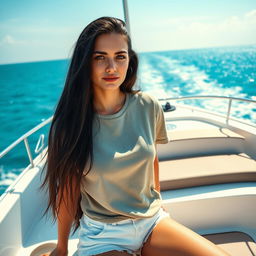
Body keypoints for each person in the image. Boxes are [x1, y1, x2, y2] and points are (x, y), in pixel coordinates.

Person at [40, 17, 231, 256]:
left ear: (129, 60)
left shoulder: (148, 106)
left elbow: (151, 161)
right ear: (85, 62)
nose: (112, 67)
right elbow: (67, 192)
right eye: (100, 57)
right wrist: (61, 247)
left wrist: (158, 205)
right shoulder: (71, 124)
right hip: (104, 235)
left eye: (120, 56)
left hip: (152, 222)